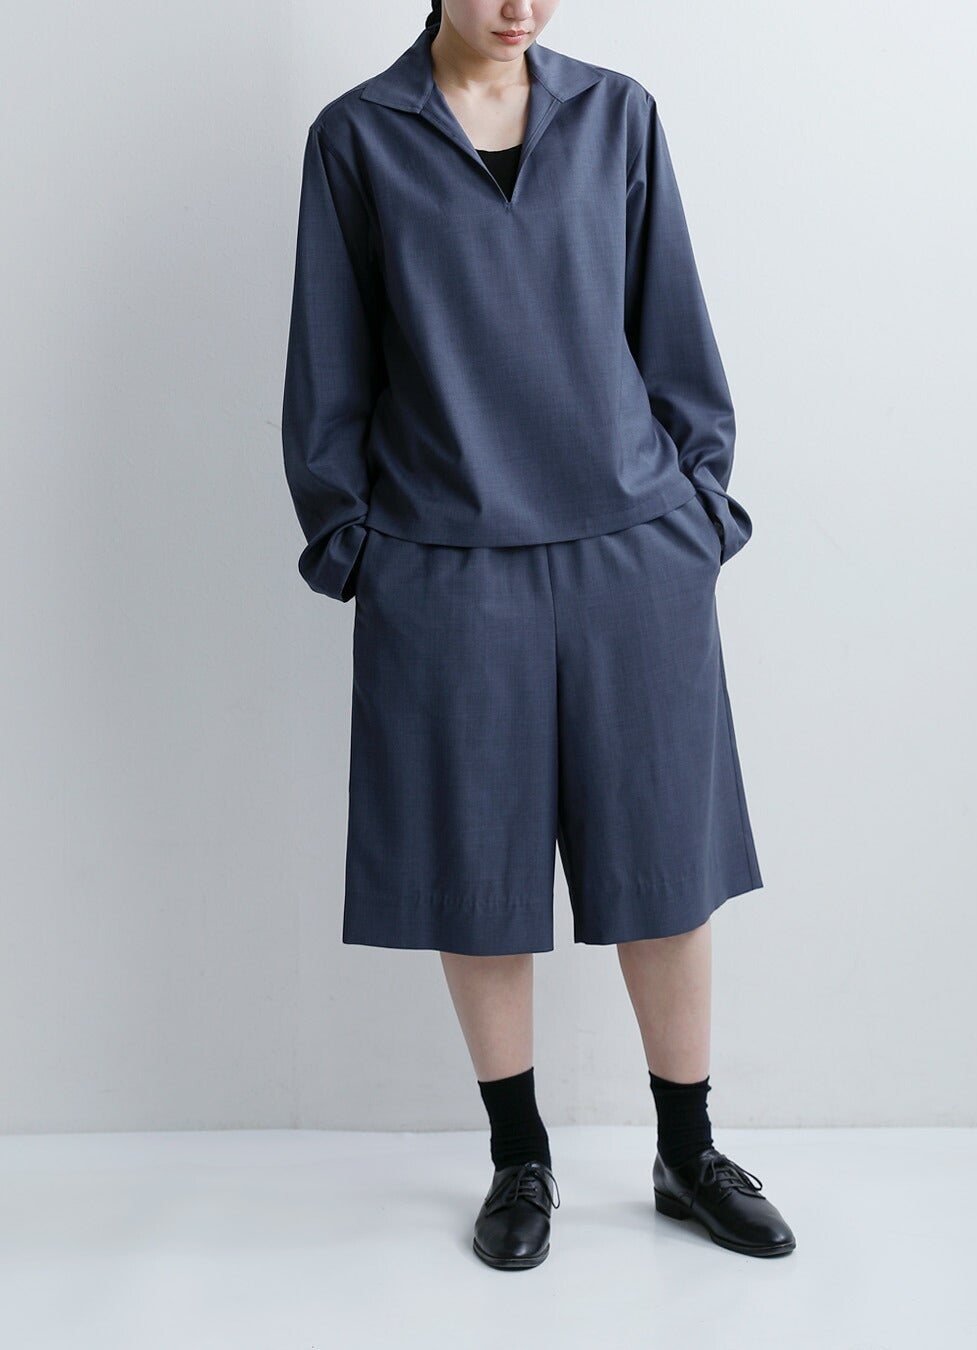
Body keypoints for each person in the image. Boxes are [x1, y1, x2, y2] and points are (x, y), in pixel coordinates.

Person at [282, 0, 795, 1269]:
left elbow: (672, 326)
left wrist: (698, 512)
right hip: (446, 559)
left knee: (666, 863)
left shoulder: (618, 115)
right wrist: (357, 544)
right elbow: (329, 359)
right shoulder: (357, 138)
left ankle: (688, 1153)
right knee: (477, 873)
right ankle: (520, 1159)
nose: (520, 6)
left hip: (634, 550)